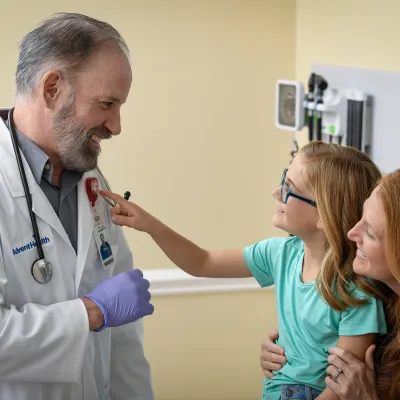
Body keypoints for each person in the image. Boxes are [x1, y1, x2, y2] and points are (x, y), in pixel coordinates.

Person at [101, 141, 389, 400]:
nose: (276, 191)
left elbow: (342, 388)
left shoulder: (355, 291)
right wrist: (149, 224)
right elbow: (201, 262)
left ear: (324, 216)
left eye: (289, 189)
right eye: (282, 180)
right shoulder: (281, 254)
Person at [0, 13, 154, 400]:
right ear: (52, 88)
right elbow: (104, 312)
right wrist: (91, 313)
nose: (116, 126)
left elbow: (125, 337)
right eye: (106, 103)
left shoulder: (92, 180)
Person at [259, 170, 400, 400]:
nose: (351, 233)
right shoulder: (380, 301)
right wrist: (286, 358)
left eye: (371, 233)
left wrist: (366, 397)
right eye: (361, 219)